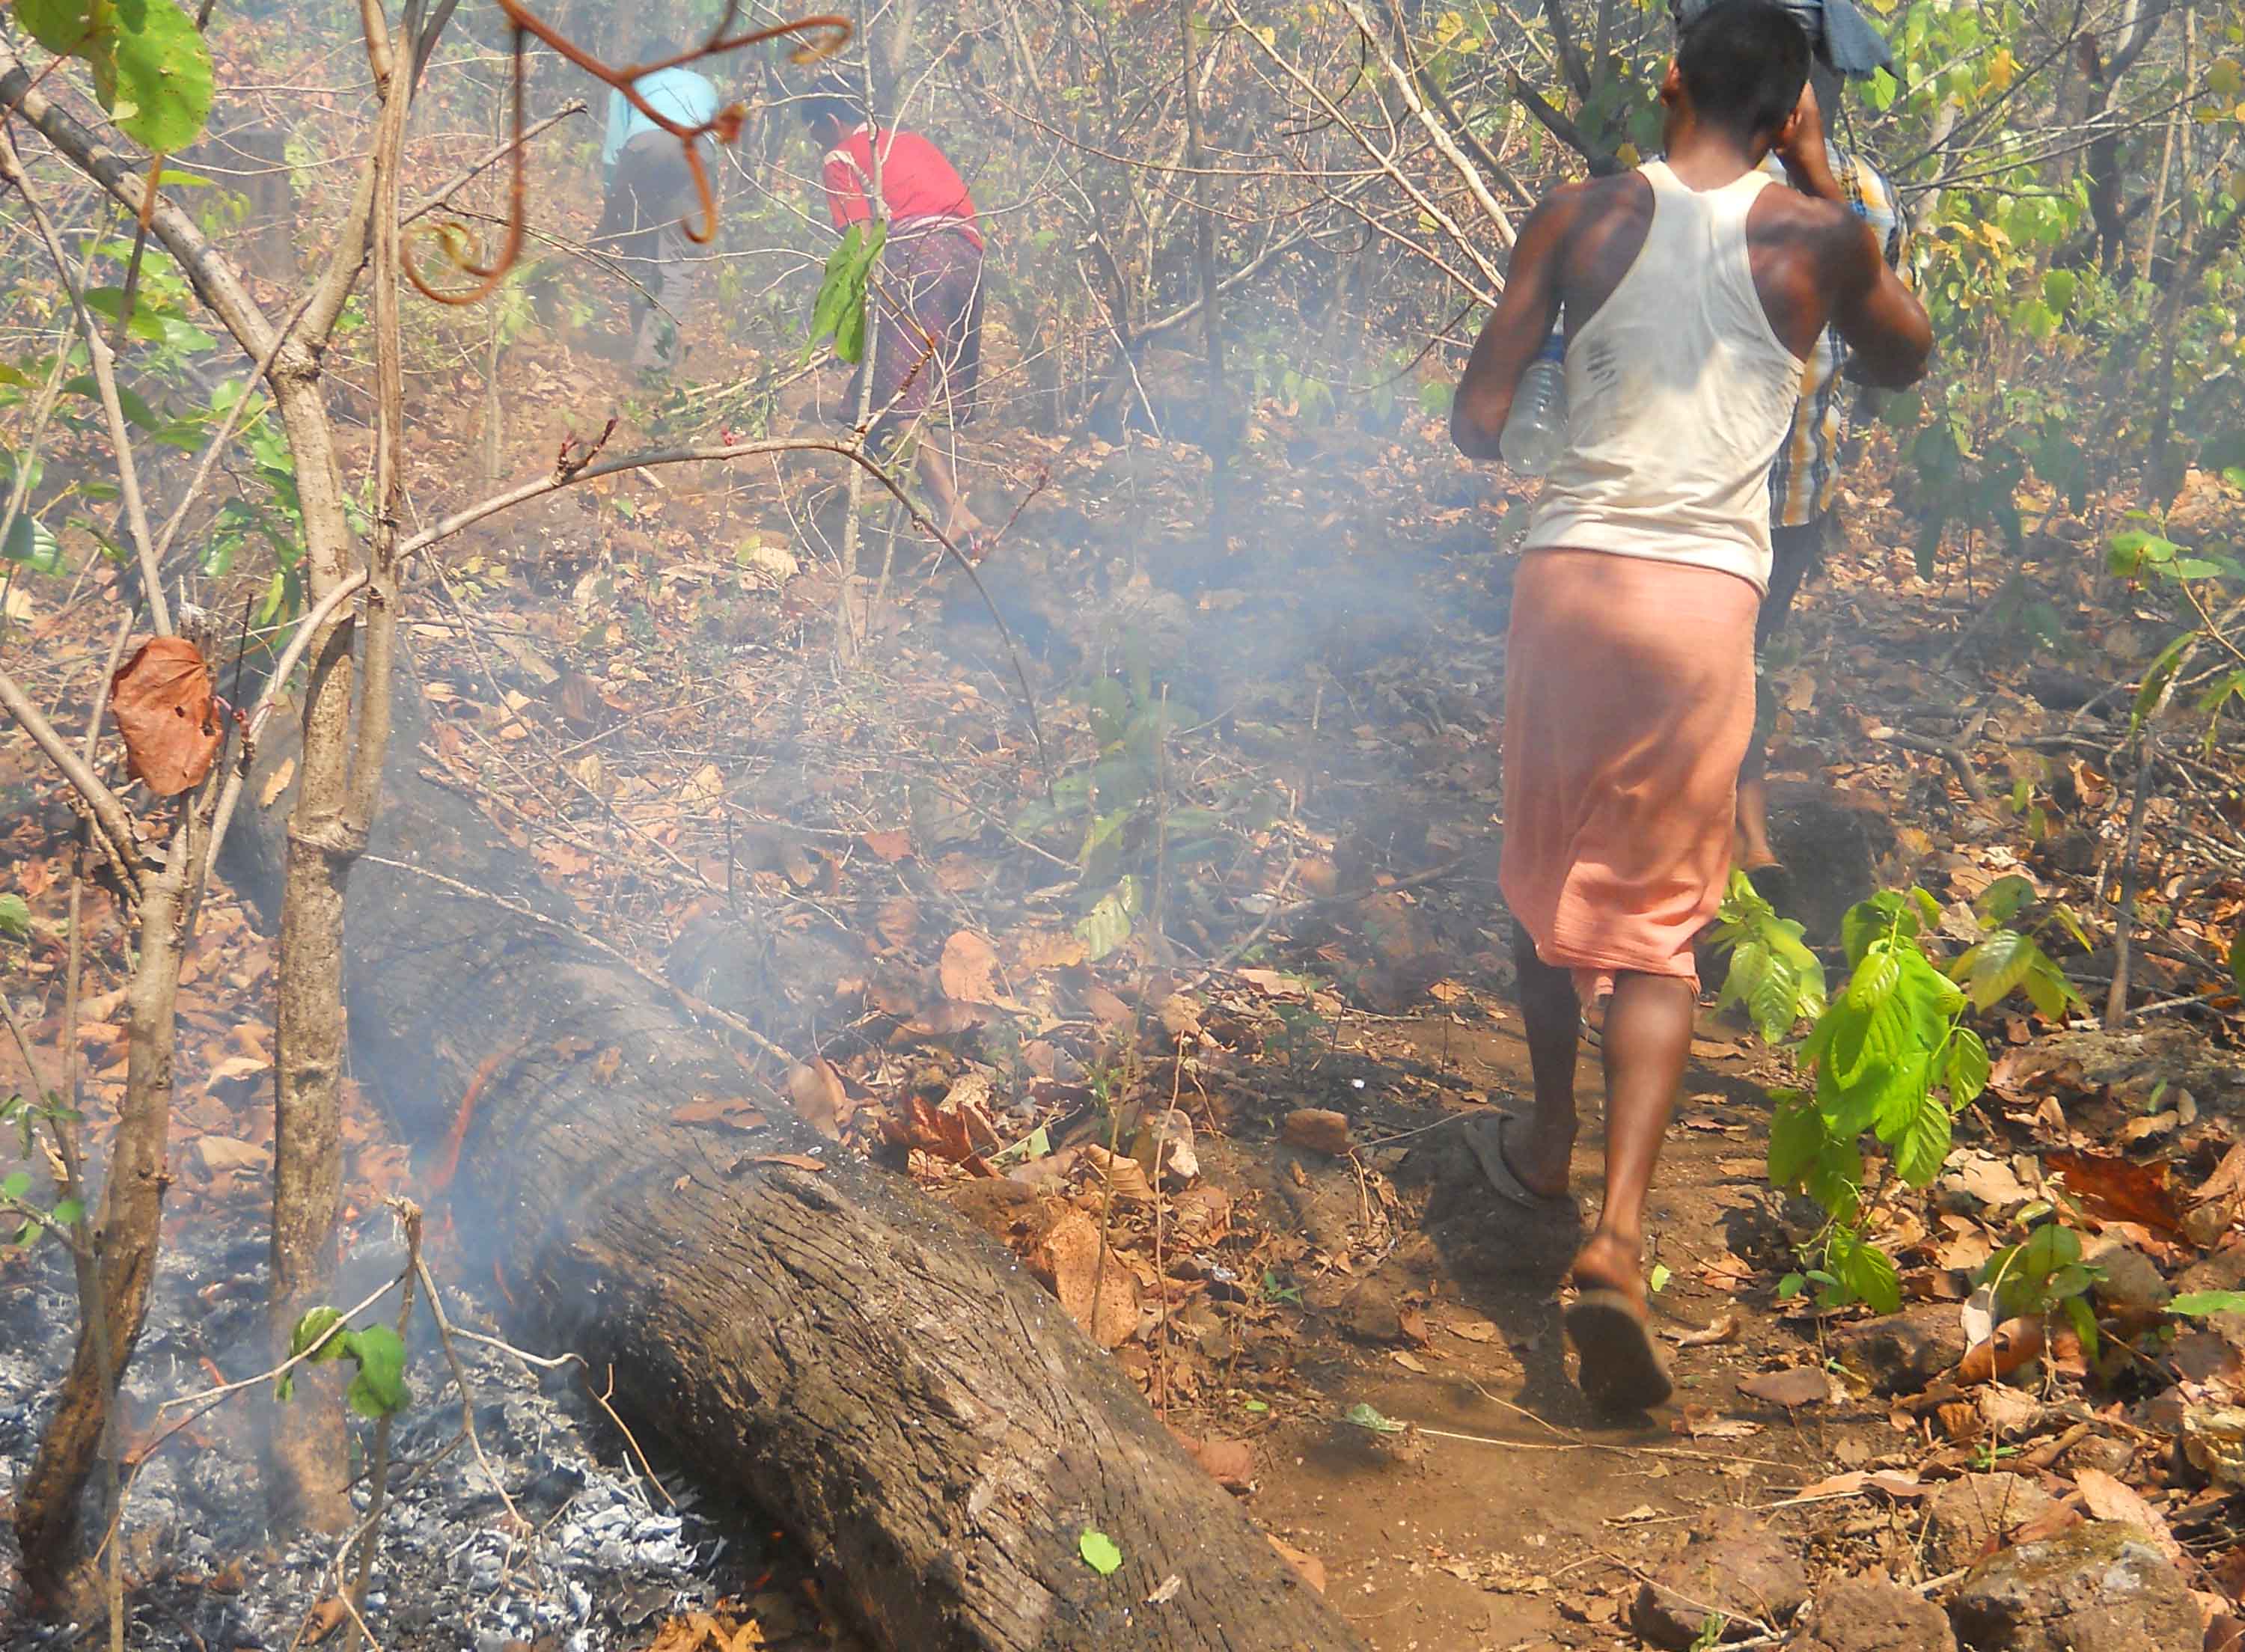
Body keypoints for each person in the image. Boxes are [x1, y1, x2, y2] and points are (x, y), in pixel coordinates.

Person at [1449, 0, 1929, 1411]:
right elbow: (1903, 357)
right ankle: (1616, 1235)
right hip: (1704, 602)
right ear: (1792, 110)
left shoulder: (1575, 215)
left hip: (1569, 583)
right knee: (1660, 930)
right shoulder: (1823, 239)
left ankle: (1546, 1143)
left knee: (1547, 882)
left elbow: (1477, 418)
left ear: (1668, 82)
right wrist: (1828, 180)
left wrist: (1541, 406)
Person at [1713, 0, 1913, 872]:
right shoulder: (1852, 193)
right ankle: (1736, 845)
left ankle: (1739, 845)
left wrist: (1820, 184)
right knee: (1725, 663)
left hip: (1769, 490)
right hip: (1748, 487)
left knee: (1728, 664)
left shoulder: (1854, 196)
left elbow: (1893, 349)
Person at [798, 79, 988, 550]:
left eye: (815, 134)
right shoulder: (912, 140)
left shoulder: (840, 156)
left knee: (896, 391)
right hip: (969, 259)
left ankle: (955, 513)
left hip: (917, 259)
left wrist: (845, 317)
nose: (817, 145)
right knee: (935, 388)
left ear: (830, 122)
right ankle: (925, 511)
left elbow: (860, 239)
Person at [594, 37, 718, 370]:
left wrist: (612, 209)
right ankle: (653, 359)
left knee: (638, 249)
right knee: (677, 266)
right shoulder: (703, 85)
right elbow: (715, 142)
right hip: (695, 155)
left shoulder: (627, 86)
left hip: (644, 149)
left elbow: (614, 152)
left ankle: (643, 341)